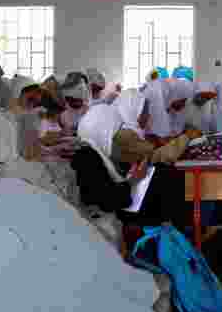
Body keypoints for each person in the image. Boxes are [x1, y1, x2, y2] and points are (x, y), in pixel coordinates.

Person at [76, 90, 199, 226]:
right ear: (102, 130)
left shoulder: (95, 151)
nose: (148, 116)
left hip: (124, 202)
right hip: (118, 211)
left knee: (167, 177)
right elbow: (110, 199)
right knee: (168, 178)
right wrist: (134, 179)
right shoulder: (87, 159)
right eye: (114, 130)